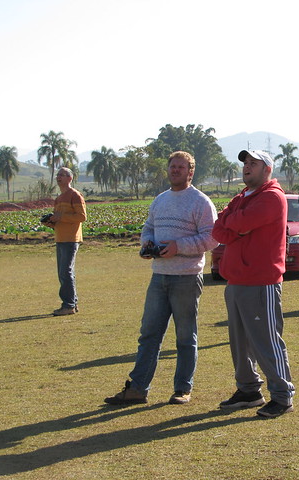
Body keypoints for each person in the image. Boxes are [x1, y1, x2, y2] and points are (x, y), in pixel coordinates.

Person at [105, 151, 218, 405]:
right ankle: (137, 388)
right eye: (172, 166)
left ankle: (182, 389)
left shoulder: (200, 202)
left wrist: (179, 246)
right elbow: (149, 227)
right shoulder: (160, 200)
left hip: (186, 278)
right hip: (159, 276)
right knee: (149, 334)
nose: (175, 170)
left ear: (191, 172)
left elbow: (212, 237)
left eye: (181, 167)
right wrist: (147, 244)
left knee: (185, 336)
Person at [212, 149, 295, 419]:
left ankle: (282, 396)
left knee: (266, 341)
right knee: (239, 343)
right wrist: (233, 225)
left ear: (266, 169)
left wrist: (233, 224)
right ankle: (248, 390)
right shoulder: (241, 197)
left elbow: (238, 222)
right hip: (236, 279)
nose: (247, 167)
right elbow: (219, 228)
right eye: (245, 163)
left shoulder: (272, 197)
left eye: (253, 163)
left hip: (261, 281)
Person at [44, 167, 87, 316]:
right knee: (64, 272)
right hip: (61, 238)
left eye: (62, 175)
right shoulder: (59, 198)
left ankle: (68, 305)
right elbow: (58, 218)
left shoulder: (74, 195)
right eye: (58, 175)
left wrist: (60, 218)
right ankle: (72, 303)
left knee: (65, 272)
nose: (59, 177)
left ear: (70, 178)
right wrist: (50, 222)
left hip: (71, 238)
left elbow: (82, 216)